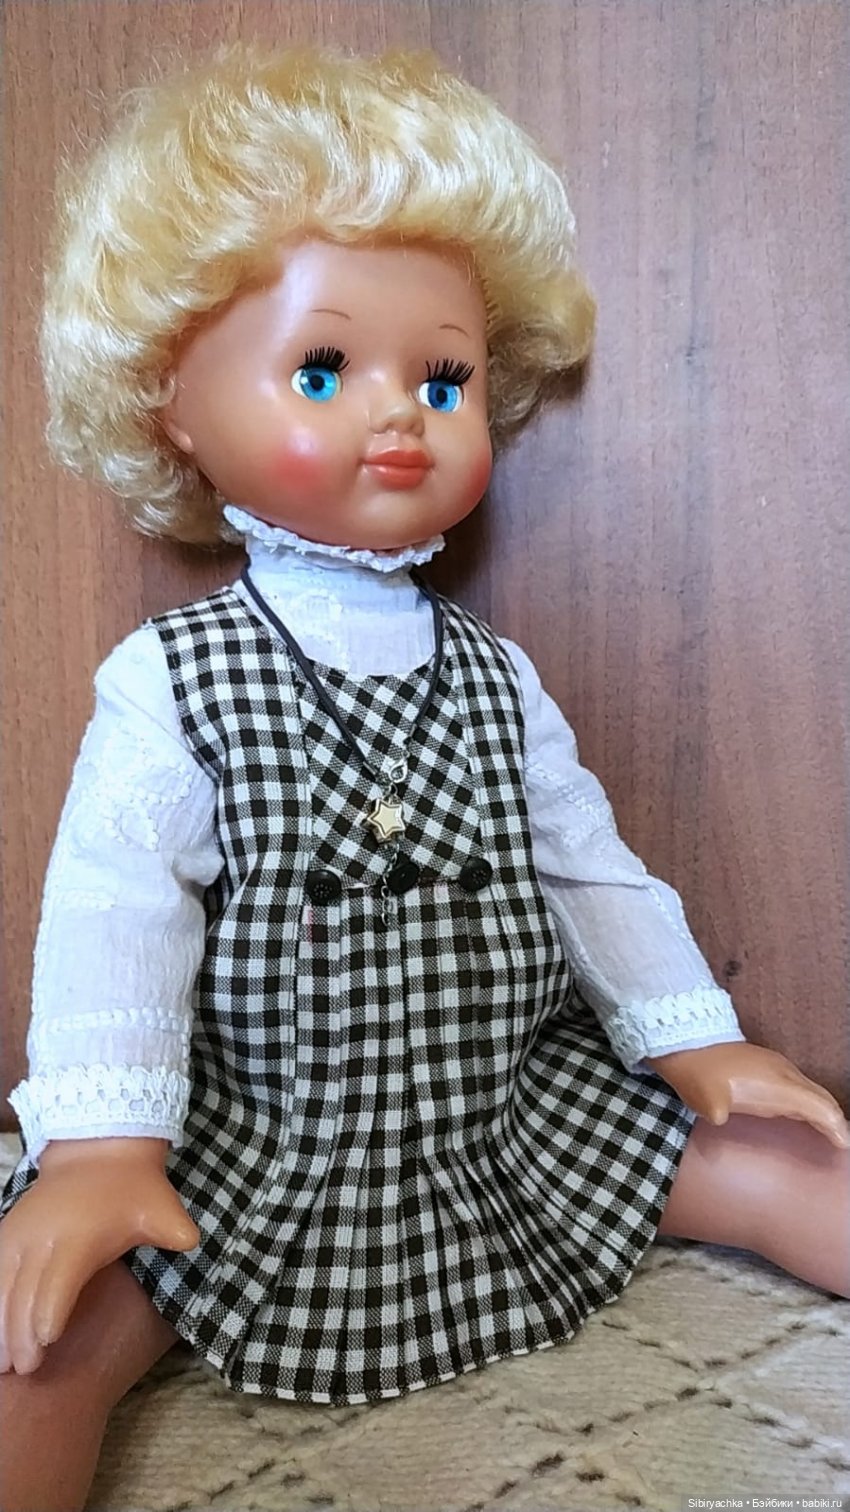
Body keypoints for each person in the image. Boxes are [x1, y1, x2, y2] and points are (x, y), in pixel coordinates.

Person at [1, 44, 847, 1512]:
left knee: (780, 1161)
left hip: (498, 1113)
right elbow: (116, 905)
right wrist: (101, 1145)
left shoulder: (494, 677)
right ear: (173, 406)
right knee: (41, 1338)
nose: (398, 414)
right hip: (257, 1137)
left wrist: (695, 1043)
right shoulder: (172, 680)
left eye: (442, 377)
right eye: (322, 370)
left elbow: (586, 865)